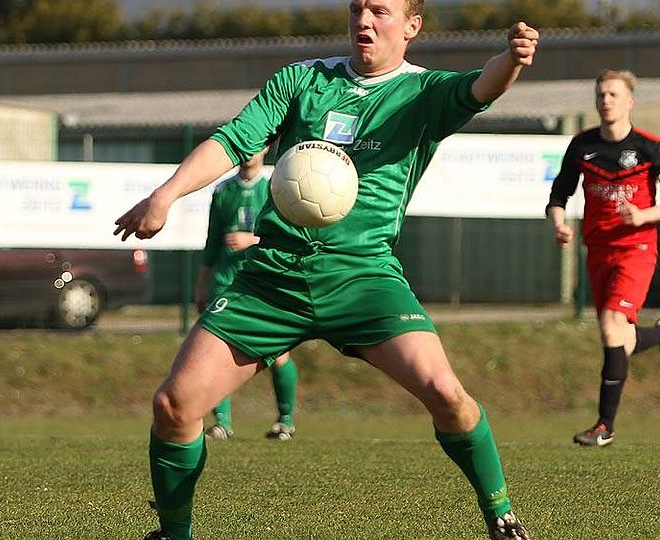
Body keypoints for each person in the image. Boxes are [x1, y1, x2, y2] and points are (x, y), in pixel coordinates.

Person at [114, 0, 539, 538]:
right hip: (273, 276)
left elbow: (481, 86)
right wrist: (166, 194)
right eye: (358, 8)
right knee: (174, 405)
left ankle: (501, 514)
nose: (364, 20)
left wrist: (512, 59)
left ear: (412, 26)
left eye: (380, 11)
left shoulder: (423, 92)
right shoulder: (302, 80)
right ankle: (174, 534)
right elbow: (235, 139)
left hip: (363, 276)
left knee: (446, 393)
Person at [546, 69, 660, 448]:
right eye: (600, 94)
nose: (605, 101)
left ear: (630, 101)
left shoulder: (650, 147)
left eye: (613, 94)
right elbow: (559, 195)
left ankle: (604, 427)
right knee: (618, 339)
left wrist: (643, 216)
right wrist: (559, 224)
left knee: (612, 326)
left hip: (636, 249)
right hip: (598, 250)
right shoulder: (582, 146)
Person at [195, 147, 299, 441]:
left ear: (266, 148)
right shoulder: (223, 191)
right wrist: (201, 285)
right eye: (245, 145)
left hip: (265, 281)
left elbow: (289, 238)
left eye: (256, 146)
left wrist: (251, 240)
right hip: (226, 282)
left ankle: (285, 422)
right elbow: (212, 243)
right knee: (216, 354)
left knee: (278, 354)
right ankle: (222, 423)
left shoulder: (277, 187)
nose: (248, 152)